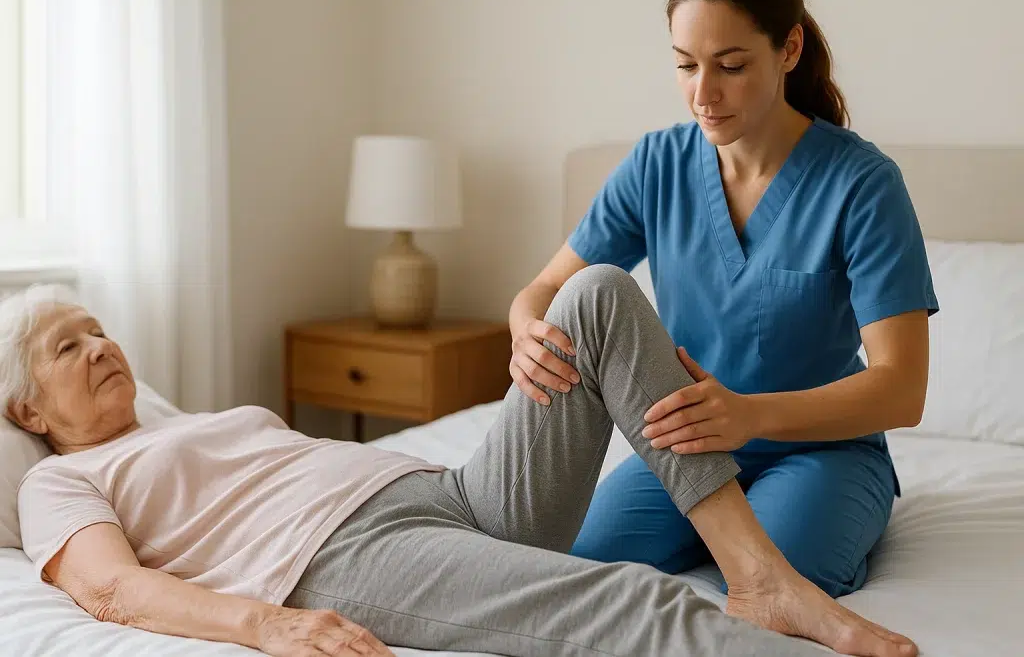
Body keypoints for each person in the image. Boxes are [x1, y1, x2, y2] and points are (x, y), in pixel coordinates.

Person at [3, 277, 917, 657]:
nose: (97, 346)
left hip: (450, 490)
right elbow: (113, 593)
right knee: (630, 598)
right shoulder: (55, 480)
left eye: (98, 329)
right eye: (65, 347)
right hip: (347, 553)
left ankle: (760, 574)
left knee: (592, 291)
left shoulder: (184, 421)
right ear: (27, 411)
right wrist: (269, 625)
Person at [509, 0, 938, 601]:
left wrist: (750, 415)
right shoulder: (657, 165)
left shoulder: (862, 183)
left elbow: (903, 389)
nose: (702, 94)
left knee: (785, 575)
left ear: (788, 49)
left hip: (820, 451)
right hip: (685, 451)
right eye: (686, 65)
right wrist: (526, 330)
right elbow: (547, 287)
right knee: (573, 569)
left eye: (730, 66)